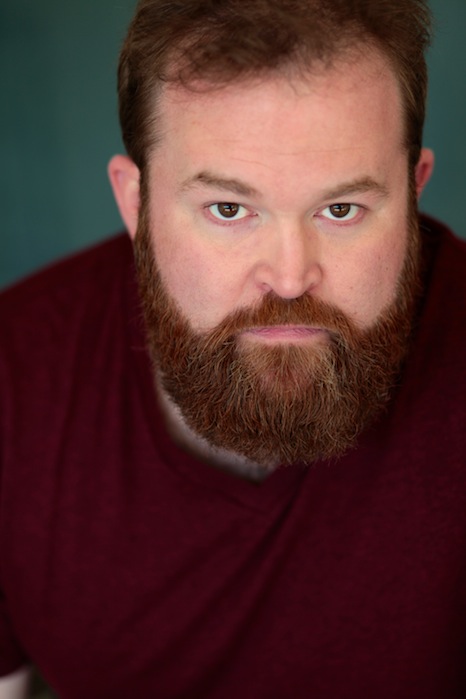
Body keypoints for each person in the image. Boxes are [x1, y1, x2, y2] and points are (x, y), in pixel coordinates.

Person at [1, 0, 465, 697]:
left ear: (414, 189)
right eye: (228, 209)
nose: (289, 276)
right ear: (135, 203)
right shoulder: (14, 376)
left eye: (341, 209)